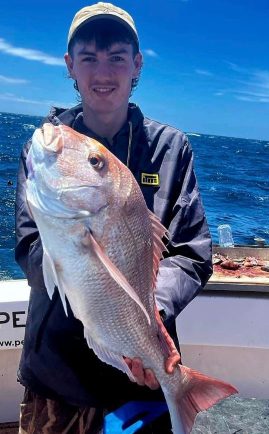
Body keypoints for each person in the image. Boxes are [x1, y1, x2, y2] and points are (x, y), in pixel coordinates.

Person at [15, 2, 212, 433]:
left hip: (142, 375)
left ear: (137, 64)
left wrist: (147, 317)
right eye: (88, 57)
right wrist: (76, 246)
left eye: (117, 57)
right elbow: (30, 246)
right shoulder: (45, 153)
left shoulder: (171, 149)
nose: (103, 72)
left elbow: (193, 252)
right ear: (70, 65)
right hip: (58, 373)